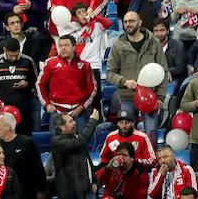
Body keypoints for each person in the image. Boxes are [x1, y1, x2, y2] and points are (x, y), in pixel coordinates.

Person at [105, 11, 168, 140]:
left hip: (150, 96)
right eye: (125, 22)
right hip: (127, 97)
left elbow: (163, 70)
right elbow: (109, 73)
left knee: (151, 134)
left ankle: (150, 159)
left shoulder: (153, 42)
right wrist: (125, 82)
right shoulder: (118, 45)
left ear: (139, 23)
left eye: (131, 21)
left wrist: (160, 97)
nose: (128, 24)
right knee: (126, 135)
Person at [37, 35, 96, 130]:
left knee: (80, 142)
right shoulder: (50, 63)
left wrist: (82, 106)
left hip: (79, 112)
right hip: (57, 111)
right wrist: (47, 104)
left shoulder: (85, 65)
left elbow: (92, 89)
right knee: (56, 143)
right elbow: (40, 85)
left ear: (74, 47)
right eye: (60, 46)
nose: (63, 48)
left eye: (66, 45)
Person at [0, 113, 45, 199]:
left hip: (27, 193)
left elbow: (38, 168)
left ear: (8, 127)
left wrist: (41, 191)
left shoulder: (27, 143)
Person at [50, 109, 100, 199]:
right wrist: (92, 121)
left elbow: (87, 161)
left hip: (85, 190)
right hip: (70, 192)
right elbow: (80, 142)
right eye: (71, 121)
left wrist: (94, 181)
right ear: (62, 127)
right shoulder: (57, 141)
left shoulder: (75, 137)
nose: (75, 123)